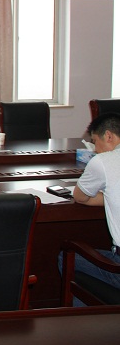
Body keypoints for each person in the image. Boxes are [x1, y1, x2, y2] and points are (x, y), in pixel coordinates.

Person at [60, 112, 120, 305]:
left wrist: (108, 196)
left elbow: (80, 197)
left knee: (67, 256)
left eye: (94, 142)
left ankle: (85, 320)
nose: (95, 150)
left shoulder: (104, 161)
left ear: (108, 136)